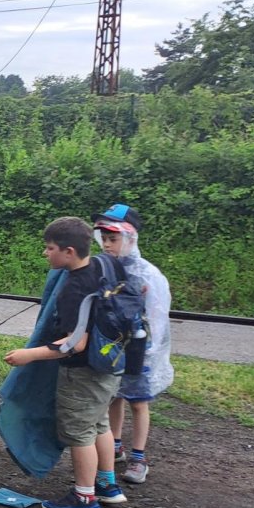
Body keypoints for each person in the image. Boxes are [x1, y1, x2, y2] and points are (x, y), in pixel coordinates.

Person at [3, 216, 129, 508]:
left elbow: (75, 343)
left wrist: (29, 355)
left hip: (83, 373)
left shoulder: (73, 288)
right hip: (111, 365)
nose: (45, 253)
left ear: (69, 252)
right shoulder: (103, 265)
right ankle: (107, 485)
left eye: (50, 248)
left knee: (79, 433)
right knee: (99, 425)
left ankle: (84, 499)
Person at [94, 204, 173, 485]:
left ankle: (139, 458)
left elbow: (158, 315)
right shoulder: (105, 268)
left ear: (130, 238)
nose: (107, 244)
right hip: (114, 347)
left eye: (113, 239)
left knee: (139, 401)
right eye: (104, 239)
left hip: (140, 348)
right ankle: (115, 445)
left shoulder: (147, 274)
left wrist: (151, 351)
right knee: (113, 396)